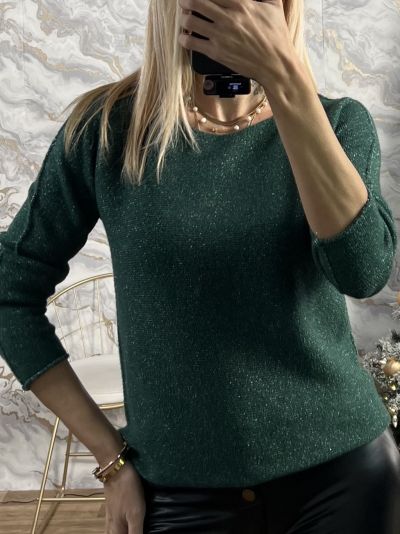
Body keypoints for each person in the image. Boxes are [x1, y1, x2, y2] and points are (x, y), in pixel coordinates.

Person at [0, 0, 399, 533]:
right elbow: (10, 290)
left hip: (345, 480)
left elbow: (363, 272)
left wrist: (288, 85)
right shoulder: (107, 131)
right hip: (182, 495)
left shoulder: (339, 123)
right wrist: (110, 458)